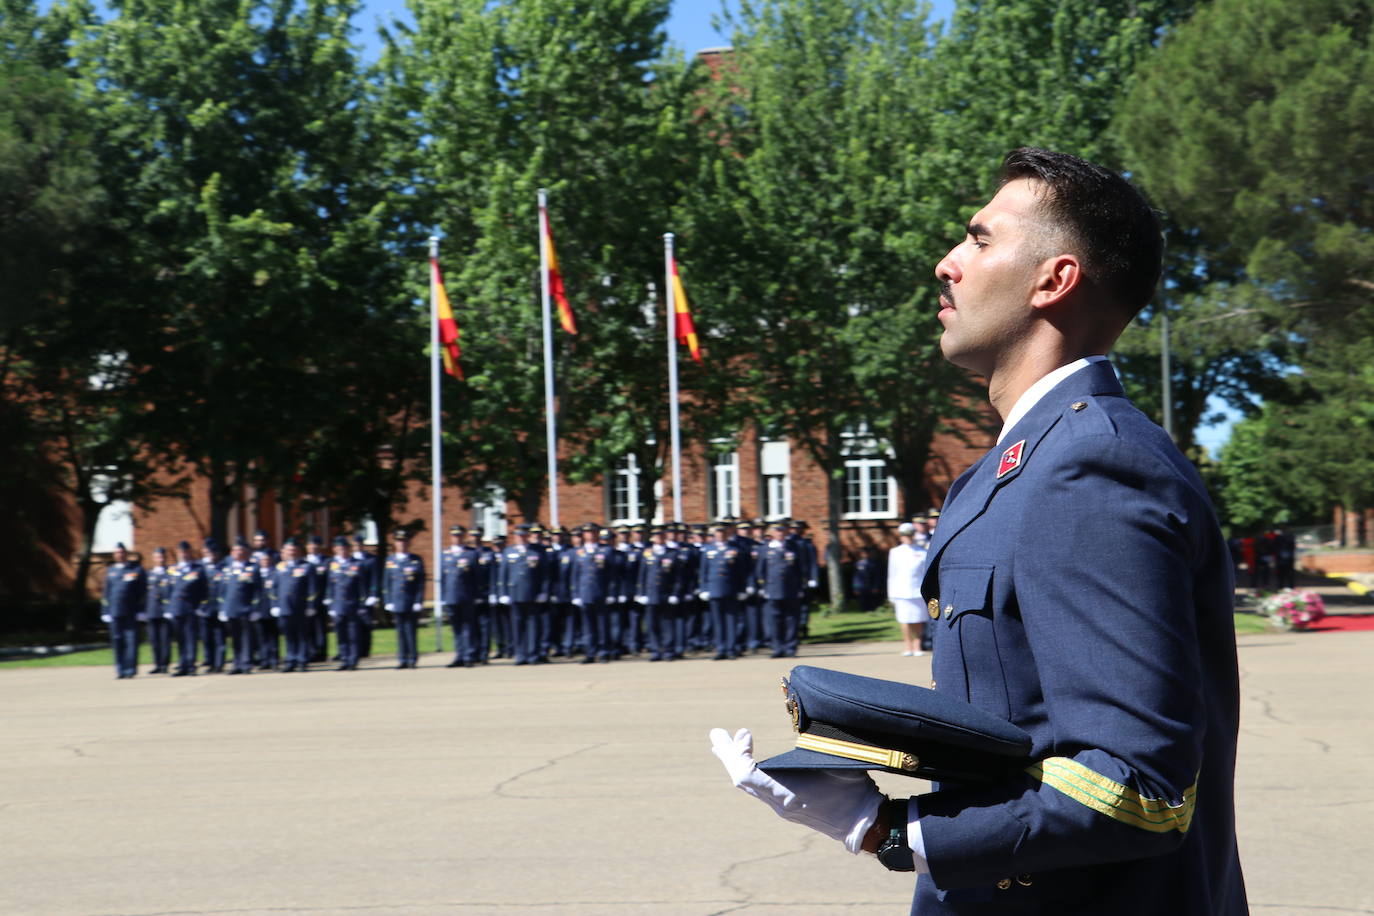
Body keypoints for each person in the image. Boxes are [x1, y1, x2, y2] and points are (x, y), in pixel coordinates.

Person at [710, 148, 1246, 914]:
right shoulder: (1019, 465)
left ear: (1053, 280)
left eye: (980, 239)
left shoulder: (1090, 467)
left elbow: (1138, 787)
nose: (946, 263)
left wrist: (890, 829)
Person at [698, 523, 750, 659]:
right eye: (718, 532)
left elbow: (741, 572)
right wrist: (704, 589)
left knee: (731, 620)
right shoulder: (707, 549)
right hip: (714, 589)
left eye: (723, 532)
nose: (720, 535)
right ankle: (720, 649)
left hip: (731, 589)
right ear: (715, 535)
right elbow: (704, 572)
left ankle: (731, 649)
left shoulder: (735, 549)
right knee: (717, 621)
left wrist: (742, 589)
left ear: (726, 534)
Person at [753, 521, 803, 658]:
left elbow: (800, 568)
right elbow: (760, 570)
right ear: (772, 533)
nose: (780, 533)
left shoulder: (793, 546)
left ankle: (790, 647)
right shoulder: (765, 548)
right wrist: (762, 587)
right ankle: (777, 647)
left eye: (782, 531)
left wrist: (800, 586)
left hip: (790, 588)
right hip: (772, 588)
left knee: (791, 619)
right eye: (777, 531)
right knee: (774, 619)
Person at [100, 542, 146, 679]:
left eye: (122, 552)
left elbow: (143, 592)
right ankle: (120, 669)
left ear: (126, 554)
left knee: (131, 641)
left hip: (131, 612)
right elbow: (105, 593)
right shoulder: (110, 571)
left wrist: (141, 611)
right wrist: (105, 611)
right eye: (117, 552)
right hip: (115, 612)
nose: (119, 554)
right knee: (117, 640)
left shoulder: (136, 569)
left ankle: (130, 669)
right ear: (114, 555)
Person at [218, 537, 262, 674]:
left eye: (241, 550)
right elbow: (222, 592)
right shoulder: (227, 569)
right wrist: (222, 609)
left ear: (246, 552)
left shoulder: (252, 568)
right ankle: (236, 663)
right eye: (235, 550)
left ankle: (246, 663)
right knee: (235, 638)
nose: (237, 553)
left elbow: (258, 590)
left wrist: (255, 608)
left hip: (245, 609)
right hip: (230, 609)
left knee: (246, 637)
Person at [382, 529, 425, 669]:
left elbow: (420, 583)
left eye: (404, 541)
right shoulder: (390, 560)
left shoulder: (415, 560)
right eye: (399, 541)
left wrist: (418, 601)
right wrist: (388, 600)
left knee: (410, 630)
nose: (402, 544)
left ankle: (412, 658)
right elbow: (386, 582)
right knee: (400, 632)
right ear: (395, 543)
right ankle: (402, 658)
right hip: (396, 601)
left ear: (408, 542)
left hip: (410, 600)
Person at [271, 538, 314, 671]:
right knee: (288, 635)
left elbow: (312, 587)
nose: (292, 552)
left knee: (302, 635)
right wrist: (274, 604)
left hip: (300, 607)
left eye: (294, 549)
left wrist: (311, 605)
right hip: (284, 606)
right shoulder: (280, 567)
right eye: (289, 550)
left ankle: (302, 660)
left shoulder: (307, 566)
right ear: (284, 551)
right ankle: (290, 660)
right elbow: (274, 588)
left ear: (299, 551)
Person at [887, 522, 928, 657]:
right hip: (901, 590)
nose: (908, 538)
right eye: (905, 535)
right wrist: (891, 594)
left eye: (910, 535)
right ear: (901, 537)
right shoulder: (895, 552)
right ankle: (908, 645)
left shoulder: (922, 551)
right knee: (904, 620)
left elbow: (924, 573)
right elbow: (892, 574)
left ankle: (917, 645)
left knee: (918, 619)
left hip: (917, 590)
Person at [166, 541, 207, 676]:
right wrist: (168, 608)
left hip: (191, 608)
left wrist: (201, 606)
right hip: (176, 608)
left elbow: (204, 590)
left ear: (190, 553)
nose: (183, 554)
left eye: (186, 552)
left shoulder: (198, 569)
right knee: (180, 639)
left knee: (191, 638)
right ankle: (182, 665)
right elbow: (167, 590)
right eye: (181, 552)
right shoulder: (172, 570)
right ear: (178, 553)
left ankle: (191, 665)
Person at [325, 536, 364, 670]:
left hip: (353, 604)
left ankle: (353, 660)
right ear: (335, 549)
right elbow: (329, 586)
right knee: (340, 634)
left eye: (344, 548)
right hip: (338, 605)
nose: (342, 551)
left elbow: (362, 586)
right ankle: (344, 659)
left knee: (353, 634)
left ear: (349, 549)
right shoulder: (332, 565)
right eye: (339, 548)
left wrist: (362, 604)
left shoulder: (357, 564)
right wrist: (330, 604)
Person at [144, 546, 174, 673]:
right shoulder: (148, 574)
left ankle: (165, 664)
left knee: (165, 639)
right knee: (154, 640)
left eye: (162, 556)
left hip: (165, 611)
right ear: (153, 558)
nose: (160, 559)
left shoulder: (171, 572)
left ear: (165, 558)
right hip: (152, 611)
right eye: (157, 557)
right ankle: (157, 664)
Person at [851, 546, 884, 612]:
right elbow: (856, 578)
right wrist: (856, 588)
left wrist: (876, 587)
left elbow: (878, 577)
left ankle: (872, 613)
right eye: (863, 553)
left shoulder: (875, 564)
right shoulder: (858, 564)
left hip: (871, 586)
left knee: (872, 603)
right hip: (862, 587)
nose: (865, 555)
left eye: (866, 553)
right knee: (863, 603)